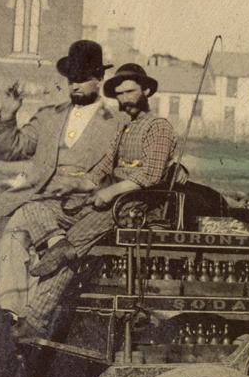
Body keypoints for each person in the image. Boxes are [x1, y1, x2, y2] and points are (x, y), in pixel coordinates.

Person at [0, 39, 124, 337]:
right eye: (71, 79)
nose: (75, 86)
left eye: (82, 79)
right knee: (14, 231)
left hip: (86, 208)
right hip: (44, 202)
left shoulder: (117, 123)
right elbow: (11, 149)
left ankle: (37, 319)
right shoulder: (49, 116)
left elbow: (130, 165)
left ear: (99, 79)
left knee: (33, 223)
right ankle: (11, 314)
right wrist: (7, 114)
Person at [26, 61, 178, 284]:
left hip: (133, 206)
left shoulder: (159, 126)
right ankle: (59, 244)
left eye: (130, 92)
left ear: (146, 91)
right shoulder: (124, 126)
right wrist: (74, 184)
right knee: (34, 203)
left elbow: (151, 175)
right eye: (119, 94)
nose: (124, 99)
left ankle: (35, 318)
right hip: (110, 202)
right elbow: (103, 168)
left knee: (64, 262)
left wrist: (110, 192)